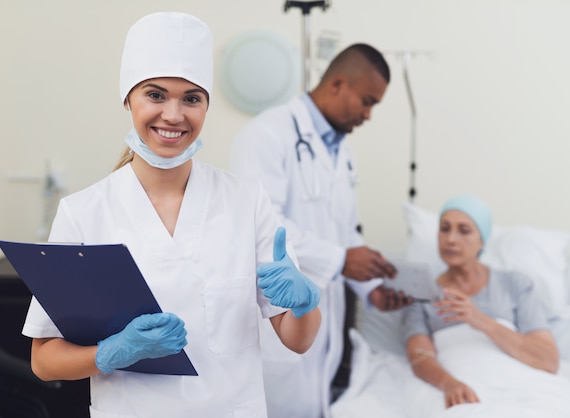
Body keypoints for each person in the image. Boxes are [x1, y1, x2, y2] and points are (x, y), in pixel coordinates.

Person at [21, 12, 322, 417]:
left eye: (192, 99)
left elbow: (296, 340)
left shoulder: (246, 202)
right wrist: (111, 352)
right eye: (156, 95)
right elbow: (44, 360)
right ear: (128, 98)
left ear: (205, 106)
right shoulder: (83, 214)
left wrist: (304, 305)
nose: (174, 115)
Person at [229, 43, 411, 418]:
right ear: (338, 84)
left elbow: (344, 231)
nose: (369, 114)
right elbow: (261, 225)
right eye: (367, 101)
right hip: (277, 318)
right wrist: (342, 260)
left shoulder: (342, 151)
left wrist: (372, 287)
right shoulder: (267, 134)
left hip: (323, 328)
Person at [402, 195, 560, 409]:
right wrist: (450, 384)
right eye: (444, 228)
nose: (451, 239)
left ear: (482, 239)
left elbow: (548, 360)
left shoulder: (514, 283)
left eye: (464, 230)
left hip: (521, 386)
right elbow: (420, 358)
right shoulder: (421, 292)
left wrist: (479, 320)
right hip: (463, 389)